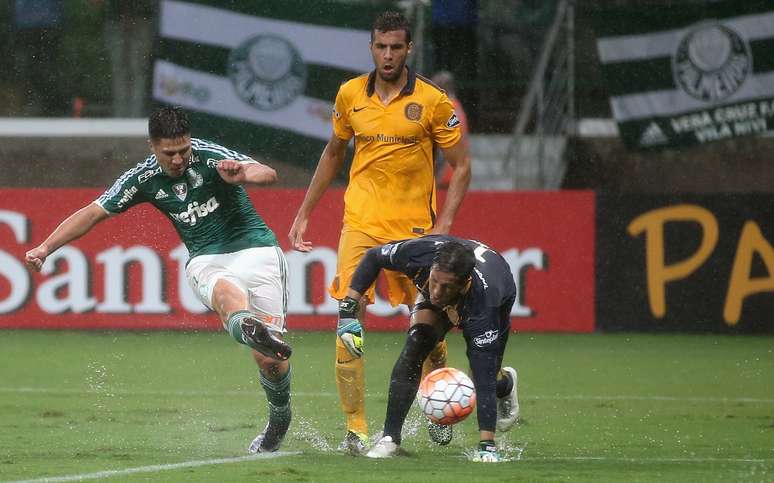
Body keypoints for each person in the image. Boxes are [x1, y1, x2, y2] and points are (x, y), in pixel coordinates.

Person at [24, 106, 293, 454]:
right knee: (227, 297)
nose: (179, 159)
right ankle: (248, 327)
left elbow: (268, 174)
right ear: (152, 146)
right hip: (207, 260)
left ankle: (279, 419)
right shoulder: (143, 178)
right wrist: (46, 247)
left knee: (270, 363)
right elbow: (93, 212)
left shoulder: (211, 157)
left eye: (183, 150)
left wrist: (242, 173)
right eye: (169, 153)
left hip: (258, 252)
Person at [288, 11, 471, 454]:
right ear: (371, 48)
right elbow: (334, 152)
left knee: (430, 327)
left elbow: (462, 165)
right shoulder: (351, 94)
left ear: (409, 50)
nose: (387, 54)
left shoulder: (432, 101)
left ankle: (436, 402)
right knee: (348, 320)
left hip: (414, 232)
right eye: (380, 46)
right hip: (361, 226)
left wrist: (443, 228)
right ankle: (356, 428)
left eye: (396, 47)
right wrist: (305, 211)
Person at [334, 235, 519, 462]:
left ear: (464, 284)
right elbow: (373, 257)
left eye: (446, 287)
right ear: (430, 269)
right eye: (434, 281)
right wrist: (348, 308)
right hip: (456, 283)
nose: (436, 292)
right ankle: (390, 439)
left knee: (482, 374)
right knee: (416, 344)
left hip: (497, 291)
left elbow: (484, 379)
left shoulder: (484, 305)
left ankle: (506, 384)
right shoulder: (419, 254)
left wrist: (487, 446)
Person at [430, 70, 470, 189]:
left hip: (447, 170)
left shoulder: (446, 107)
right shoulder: (456, 106)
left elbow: (446, 141)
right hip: (456, 167)